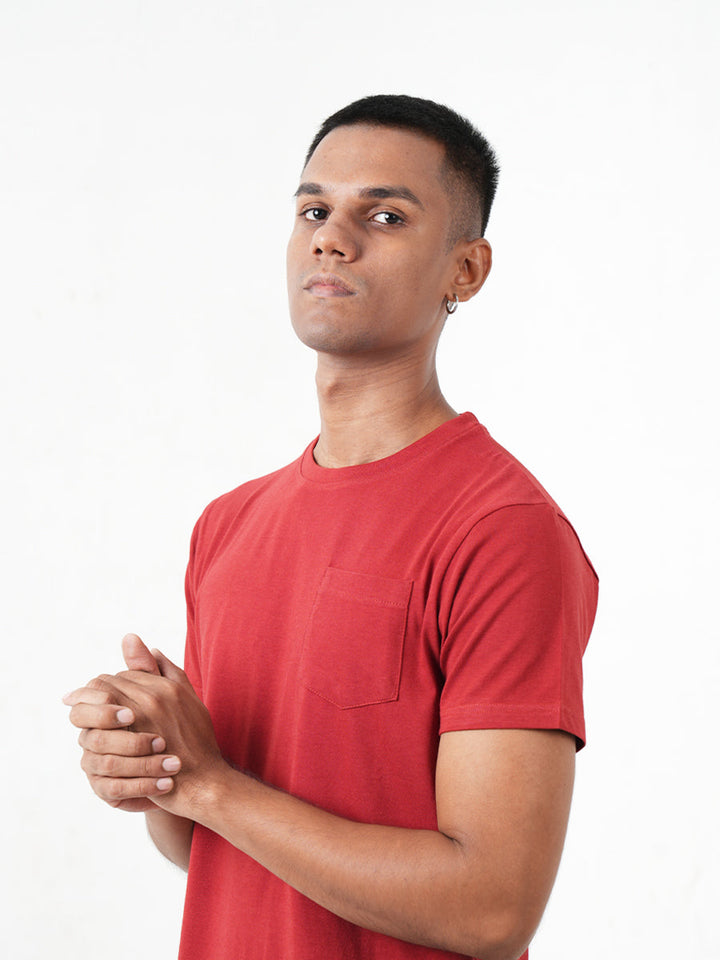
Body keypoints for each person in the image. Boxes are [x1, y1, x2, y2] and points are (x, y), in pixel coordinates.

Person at [64, 94, 598, 960]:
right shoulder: (229, 526)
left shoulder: (503, 530)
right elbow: (205, 843)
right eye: (314, 210)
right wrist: (159, 770)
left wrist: (211, 787)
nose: (332, 237)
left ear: (465, 271)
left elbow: (491, 910)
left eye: (384, 215)